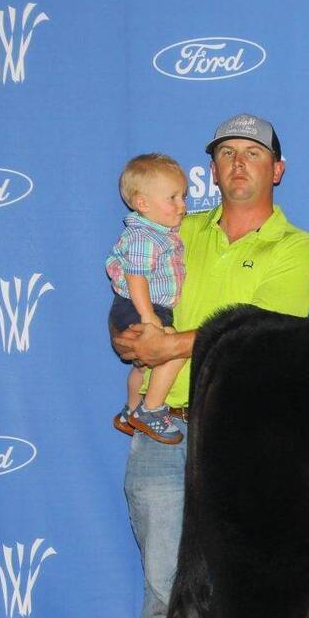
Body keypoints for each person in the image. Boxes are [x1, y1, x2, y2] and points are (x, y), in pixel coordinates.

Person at [111, 113, 309, 618]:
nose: (238, 162)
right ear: (211, 170)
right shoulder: (172, 231)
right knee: (162, 581)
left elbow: (261, 337)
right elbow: (127, 309)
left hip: (250, 437)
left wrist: (165, 343)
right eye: (226, 152)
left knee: (252, 581)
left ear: (276, 170)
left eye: (252, 153)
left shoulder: (296, 247)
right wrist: (128, 334)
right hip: (166, 426)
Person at [107, 153, 189, 445]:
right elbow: (136, 277)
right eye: (173, 198)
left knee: (142, 367)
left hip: (143, 306)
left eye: (183, 196)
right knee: (174, 349)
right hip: (141, 306)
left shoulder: (161, 233)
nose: (183, 205)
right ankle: (150, 409)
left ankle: (129, 411)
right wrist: (148, 317)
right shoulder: (145, 237)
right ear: (143, 204)